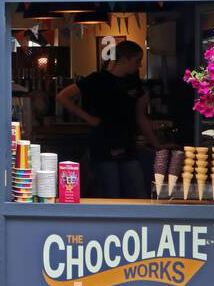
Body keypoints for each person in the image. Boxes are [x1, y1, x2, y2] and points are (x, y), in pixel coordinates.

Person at [56, 40, 166, 199]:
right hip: (103, 144)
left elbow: (141, 116)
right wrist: (89, 118)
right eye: (137, 60)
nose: (140, 65)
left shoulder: (134, 83)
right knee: (110, 195)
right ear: (124, 60)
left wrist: (157, 146)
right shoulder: (97, 79)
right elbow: (62, 96)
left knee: (138, 194)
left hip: (127, 145)